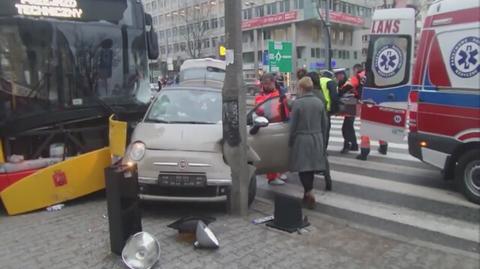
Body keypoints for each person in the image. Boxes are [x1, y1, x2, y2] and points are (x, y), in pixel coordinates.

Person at [289, 77, 329, 209]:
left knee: (303, 169)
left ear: (301, 88)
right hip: (317, 137)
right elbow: (325, 124)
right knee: (310, 168)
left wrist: (290, 141)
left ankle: (310, 192)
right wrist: (323, 140)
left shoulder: (298, 103)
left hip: (302, 138)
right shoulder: (319, 102)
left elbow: (292, 125)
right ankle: (307, 195)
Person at [255, 73, 289, 185]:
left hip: (280, 123)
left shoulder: (279, 93)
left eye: (268, 83)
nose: (267, 85)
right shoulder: (261, 95)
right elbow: (259, 109)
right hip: (269, 125)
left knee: (282, 151)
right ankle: (272, 176)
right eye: (265, 84)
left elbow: (286, 106)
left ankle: (279, 172)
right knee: (273, 152)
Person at [338, 64, 363, 154]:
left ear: (355, 70)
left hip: (352, 105)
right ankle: (354, 145)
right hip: (359, 104)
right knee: (349, 126)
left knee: (346, 127)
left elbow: (345, 88)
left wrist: (338, 93)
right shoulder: (365, 77)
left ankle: (347, 146)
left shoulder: (355, 78)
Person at [319, 70, 339, 148]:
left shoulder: (317, 80)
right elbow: (334, 97)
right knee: (325, 130)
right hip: (326, 109)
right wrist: (335, 109)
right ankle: (323, 148)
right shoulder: (330, 82)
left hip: (316, 108)